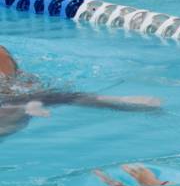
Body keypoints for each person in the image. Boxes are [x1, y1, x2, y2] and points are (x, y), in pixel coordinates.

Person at [0, 45, 161, 138]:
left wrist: (28, 100)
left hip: (20, 99)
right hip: (26, 99)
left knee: (37, 97)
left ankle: (30, 104)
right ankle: (31, 104)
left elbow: (18, 84)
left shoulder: (2, 56)